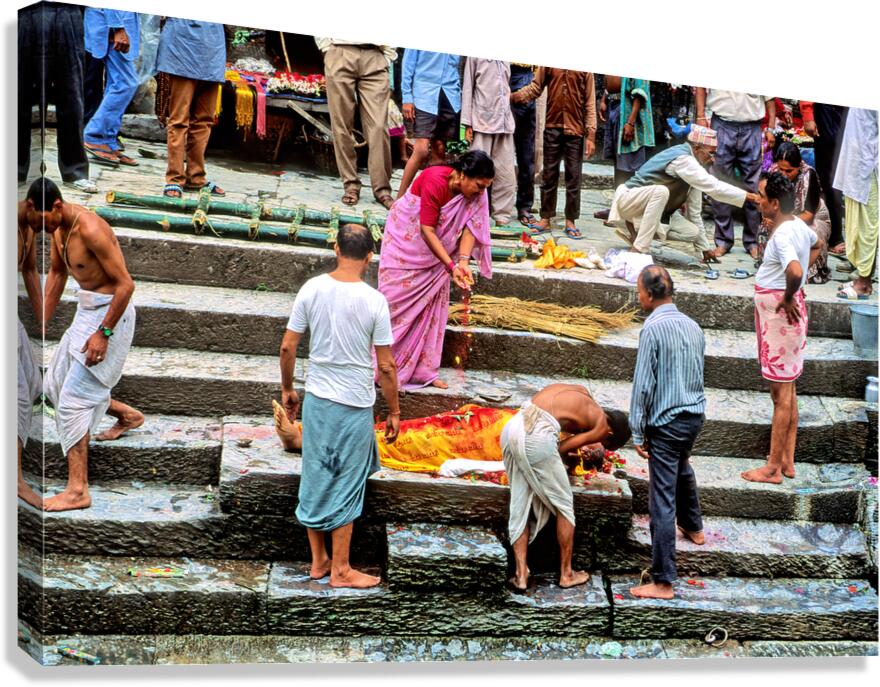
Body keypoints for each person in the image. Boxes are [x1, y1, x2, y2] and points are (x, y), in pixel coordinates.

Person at [279, 224, 401, 588]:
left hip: (317, 397)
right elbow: (387, 365)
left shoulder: (311, 288)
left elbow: (288, 346)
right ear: (369, 257)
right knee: (347, 482)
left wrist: (288, 389)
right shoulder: (374, 300)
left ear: (336, 248)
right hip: (352, 405)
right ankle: (341, 569)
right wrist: (394, 411)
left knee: (316, 475)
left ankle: (319, 562)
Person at [27, 177, 143, 512]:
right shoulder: (60, 230)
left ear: (58, 207)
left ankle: (78, 489)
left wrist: (102, 335)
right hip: (87, 309)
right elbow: (59, 276)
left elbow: (126, 285)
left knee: (73, 401)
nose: (43, 229)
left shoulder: (90, 229)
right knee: (55, 382)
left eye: (45, 221)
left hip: (112, 315)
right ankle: (127, 415)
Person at [379, 150, 495, 390]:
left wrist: (463, 262)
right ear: (462, 175)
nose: (481, 192)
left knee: (432, 311)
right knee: (393, 306)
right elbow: (427, 230)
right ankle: (381, 368)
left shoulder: (477, 195)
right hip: (406, 243)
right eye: (479, 185)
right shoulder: (434, 179)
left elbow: (473, 225)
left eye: (486, 187)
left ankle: (422, 371)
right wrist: (451, 265)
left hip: (440, 258)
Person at [500, 383, 631, 592]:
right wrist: (568, 460)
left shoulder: (582, 393)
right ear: (611, 433)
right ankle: (567, 573)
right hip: (537, 434)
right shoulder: (602, 426)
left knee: (520, 501)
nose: (599, 444)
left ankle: (521, 574)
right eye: (605, 445)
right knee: (564, 505)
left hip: (512, 427)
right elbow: (562, 448)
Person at [628, 266, 707, 600]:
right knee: (682, 465)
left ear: (648, 294)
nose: (638, 296)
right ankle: (694, 526)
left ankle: (663, 580)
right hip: (694, 416)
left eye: (638, 291)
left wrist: (637, 430)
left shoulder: (652, 329)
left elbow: (643, 385)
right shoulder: (693, 326)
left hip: (667, 422)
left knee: (661, 498)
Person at [742, 173, 823, 484]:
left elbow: (795, 269)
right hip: (783, 315)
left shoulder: (783, 235)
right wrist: (797, 288)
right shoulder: (798, 226)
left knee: (780, 394)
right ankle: (787, 459)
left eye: (762, 197)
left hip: (780, 316)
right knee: (788, 388)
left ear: (774, 204)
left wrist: (790, 293)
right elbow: (818, 245)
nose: (758, 200)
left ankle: (773, 468)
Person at [608, 125, 760, 262]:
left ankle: (635, 230)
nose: (712, 159)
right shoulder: (684, 159)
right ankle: (638, 250)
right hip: (629, 200)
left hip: (657, 211)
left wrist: (704, 249)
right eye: (710, 153)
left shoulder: (695, 170)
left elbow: (694, 213)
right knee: (661, 192)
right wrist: (747, 195)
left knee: (692, 232)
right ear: (697, 148)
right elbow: (714, 187)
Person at [276, 401, 516, 472]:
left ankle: (304, 441)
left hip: (486, 443)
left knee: (409, 443)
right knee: (414, 430)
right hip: (487, 423)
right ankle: (308, 434)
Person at [510, 67, 597, 239]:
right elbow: (535, 88)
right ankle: (545, 218)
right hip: (552, 127)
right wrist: (514, 97)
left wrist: (591, 134)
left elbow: (590, 101)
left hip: (576, 130)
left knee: (574, 178)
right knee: (549, 176)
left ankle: (570, 220)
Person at [18, 3, 96, 193]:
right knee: (17, 95)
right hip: (24, 12)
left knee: (71, 96)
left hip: (67, 13)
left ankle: (75, 171)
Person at [694, 88, 776, 259]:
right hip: (722, 124)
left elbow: (770, 98)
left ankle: (753, 242)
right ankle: (723, 241)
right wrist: (700, 116)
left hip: (752, 127)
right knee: (719, 185)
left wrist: (771, 128)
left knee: (753, 187)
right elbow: (700, 87)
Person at [317, 38, 397, 209]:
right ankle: (351, 185)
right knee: (341, 125)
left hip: (375, 53)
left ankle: (382, 189)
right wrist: (327, 48)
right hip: (340, 51)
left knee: (378, 127)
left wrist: (388, 54)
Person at [155, 17, 227, 198]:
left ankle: (196, 177)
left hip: (212, 49)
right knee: (179, 120)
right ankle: (174, 178)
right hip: (182, 45)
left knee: (204, 120)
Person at [397, 50, 462, 198]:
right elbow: (407, 64)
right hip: (424, 94)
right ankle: (399, 200)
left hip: (450, 95)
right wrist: (407, 97)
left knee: (439, 150)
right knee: (421, 150)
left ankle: (430, 197)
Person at [765, 142, 832, 283]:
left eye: (789, 171)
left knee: (813, 233)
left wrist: (782, 223)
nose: (784, 174)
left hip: (810, 220)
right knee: (765, 227)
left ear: (798, 166)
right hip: (782, 217)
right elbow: (767, 202)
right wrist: (769, 219)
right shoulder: (773, 172)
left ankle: (802, 270)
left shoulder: (809, 175)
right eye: (781, 169)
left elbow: (808, 215)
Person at [461, 58, 517, 227]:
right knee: (476, 173)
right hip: (481, 120)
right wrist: (467, 123)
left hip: (504, 122)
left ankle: (502, 215)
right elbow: (468, 86)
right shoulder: (474, 56)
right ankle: (472, 213)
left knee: (507, 173)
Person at [82, 8, 140, 167]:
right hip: (111, 26)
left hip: (114, 24)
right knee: (126, 83)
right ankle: (93, 135)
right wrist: (118, 28)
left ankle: (108, 141)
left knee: (116, 84)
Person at [833, 108, 879, 300]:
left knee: (868, 225)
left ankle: (864, 282)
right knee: (858, 224)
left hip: (870, 168)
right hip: (857, 163)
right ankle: (862, 275)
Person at [17, 205, 44, 509]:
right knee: (19, 399)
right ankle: (15, 479)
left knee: (34, 383)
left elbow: (30, 269)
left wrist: (43, 318)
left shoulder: (29, 228)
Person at [801, 102, 847, 255]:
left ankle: (840, 236)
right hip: (827, 110)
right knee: (831, 178)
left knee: (843, 177)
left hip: (849, 112)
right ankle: (836, 236)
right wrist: (808, 114)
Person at [600, 76, 655, 188]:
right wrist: (604, 98)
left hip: (627, 109)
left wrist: (631, 122)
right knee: (618, 161)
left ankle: (626, 202)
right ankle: (619, 201)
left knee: (627, 165)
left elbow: (640, 91)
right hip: (612, 104)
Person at [509, 63, 539, 229]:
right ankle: (490, 203)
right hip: (499, 75)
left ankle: (525, 205)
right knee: (497, 150)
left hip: (526, 78)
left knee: (526, 153)